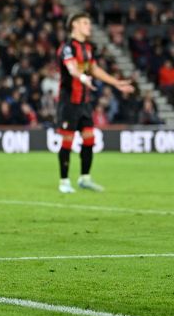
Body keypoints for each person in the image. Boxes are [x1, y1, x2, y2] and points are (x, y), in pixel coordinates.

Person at [56, 12, 133, 194]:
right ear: (74, 25)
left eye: (89, 23)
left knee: (89, 138)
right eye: (85, 23)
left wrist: (117, 83)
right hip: (69, 102)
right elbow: (71, 68)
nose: (88, 26)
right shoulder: (68, 47)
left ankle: (85, 178)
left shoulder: (88, 48)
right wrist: (82, 77)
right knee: (68, 140)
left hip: (84, 102)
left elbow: (95, 69)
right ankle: (64, 181)